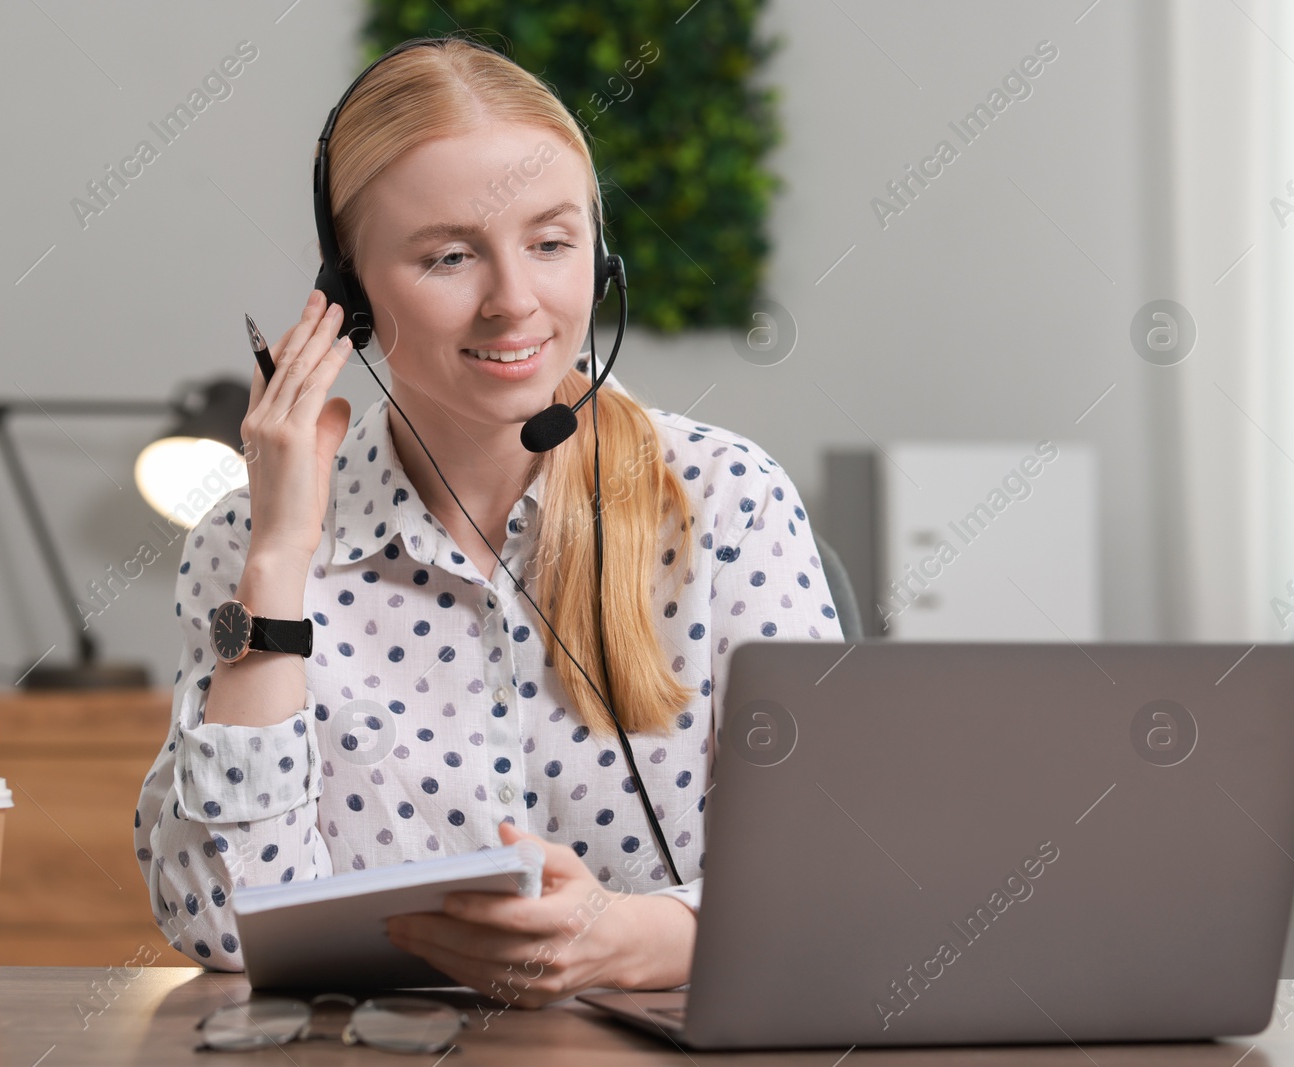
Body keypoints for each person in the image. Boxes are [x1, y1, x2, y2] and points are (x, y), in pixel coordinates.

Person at [134, 36, 843, 1008]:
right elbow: (222, 920)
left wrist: (620, 937)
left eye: (551, 243)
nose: (515, 302)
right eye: (450, 255)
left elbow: (832, 888)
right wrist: (279, 558)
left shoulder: (727, 499)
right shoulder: (251, 536)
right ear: (348, 298)